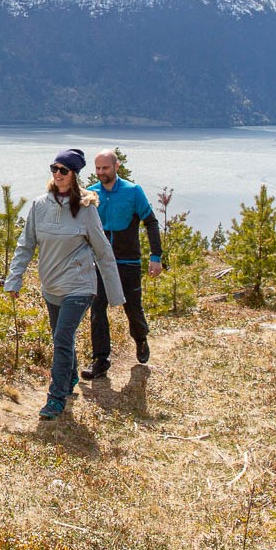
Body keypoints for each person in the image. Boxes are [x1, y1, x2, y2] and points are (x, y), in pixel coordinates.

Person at [5, 148, 124, 420]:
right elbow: (26, 246)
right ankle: (70, 377)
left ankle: (56, 399)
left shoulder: (86, 208)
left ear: (74, 175)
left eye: (63, 170)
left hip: (80, 285)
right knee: (62, 336)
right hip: (51, 285)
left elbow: (103, 251)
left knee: (61, 337)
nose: (57, 174)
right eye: (54, 169)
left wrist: (115, 295)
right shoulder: (39, 205)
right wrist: (15, 278)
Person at [82, 149, 165, 379]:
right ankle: (101, 359)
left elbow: (150, 222)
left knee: (133, 308)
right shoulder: (91, 193)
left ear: (116, 166)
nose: (101, 173)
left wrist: (156, 256)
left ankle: (140, 339)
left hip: (127, 261)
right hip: (99, 262)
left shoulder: (133, 191)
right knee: (97, 310)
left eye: (105, 168)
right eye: (97, 168)